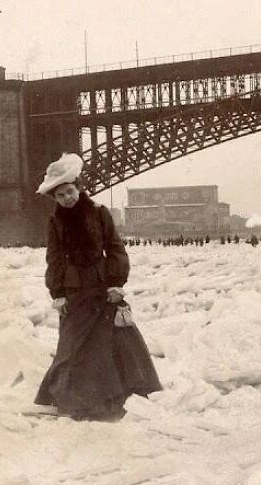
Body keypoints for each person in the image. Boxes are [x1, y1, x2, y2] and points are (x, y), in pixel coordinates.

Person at [33, 153, 162, 421]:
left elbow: (115, 248)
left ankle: (113, 399)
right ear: (55, 199)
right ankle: (72, 400)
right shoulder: (55, 222)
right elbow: (54, 257)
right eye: (61, 196)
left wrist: (116, 282)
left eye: (70, 192)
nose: (67, 198)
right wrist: (57, 293)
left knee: (108, 342)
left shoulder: (100, 214)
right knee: (71, 345)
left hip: (102, 287)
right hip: (74, 291)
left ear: (79, 188)